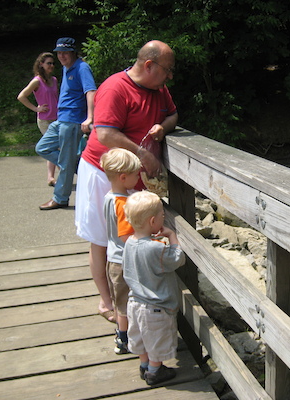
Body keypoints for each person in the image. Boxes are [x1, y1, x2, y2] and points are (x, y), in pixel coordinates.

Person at [75, 40, 178, 322]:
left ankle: (131, 297)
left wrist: (163, 126)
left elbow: (173, 114)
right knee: (101, 238)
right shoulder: (115, 88)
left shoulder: (159, 90)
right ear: (149, 65)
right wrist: (143, 153)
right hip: (102, 172)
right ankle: (107, 303)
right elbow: (105, 134)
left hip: (134, 176)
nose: (170, 76)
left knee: (132, 237)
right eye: (167, 69)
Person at [122, 190, 185, 386]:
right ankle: (155, 371)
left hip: (134, 302)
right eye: (162, 217)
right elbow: (177, 259)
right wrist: (172, 236)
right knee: (156, 340)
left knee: (140, 337)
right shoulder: (155, 248)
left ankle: (144, 366)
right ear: (152, 222)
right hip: (155, 306)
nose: (163, 219)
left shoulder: (128, 243)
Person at [36, 37, 96, 210]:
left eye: (65, 52)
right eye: (59, 53)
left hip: (73, 120)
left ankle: (60, 198)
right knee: (42, 148)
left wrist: (89, 117)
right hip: (61, 119)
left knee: (65, 159)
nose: (61, 56)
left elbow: (90, 91)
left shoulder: (82, 68)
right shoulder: (66, 68)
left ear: (73, 52)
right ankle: (77, 167)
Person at [100, 148, 142, 353]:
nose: (139, 177)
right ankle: (124, 339)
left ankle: (122, 334)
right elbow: (126, 237)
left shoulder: (110, 196)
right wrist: (148, 240)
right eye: (136, 175)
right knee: (125, 303)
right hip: (123, 260)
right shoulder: (122, 203)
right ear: (123, 177)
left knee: (120, 301)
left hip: (113, 258)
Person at [17, 52, 59, 186]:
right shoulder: (37, 81)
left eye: (53, 63)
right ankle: (54, 176)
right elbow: (21, 96)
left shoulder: (54, 80)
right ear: (41, 64)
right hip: (45, 120)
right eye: (48, 63)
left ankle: (52, 177)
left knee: (57, 147)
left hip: (57, 118)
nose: (51, 66)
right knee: (53, 147)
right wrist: (36, 108)